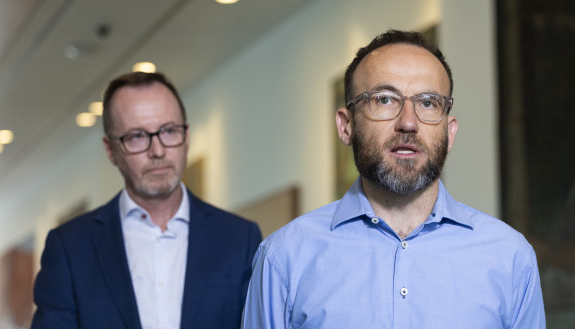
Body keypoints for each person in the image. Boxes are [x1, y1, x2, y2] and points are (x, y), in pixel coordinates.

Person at [242, 30, 545, 329]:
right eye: (385, 99)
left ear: (449, 132)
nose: (409, 123)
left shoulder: (511, 259)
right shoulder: (283, 259)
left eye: (428, 102)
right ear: (346, 126)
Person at [31, 72, 262, 329]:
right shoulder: (69, 249)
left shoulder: (241, 239)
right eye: (137, 136)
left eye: (169, 131)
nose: (158, 151)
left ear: (186, 137)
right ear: (111, 150)